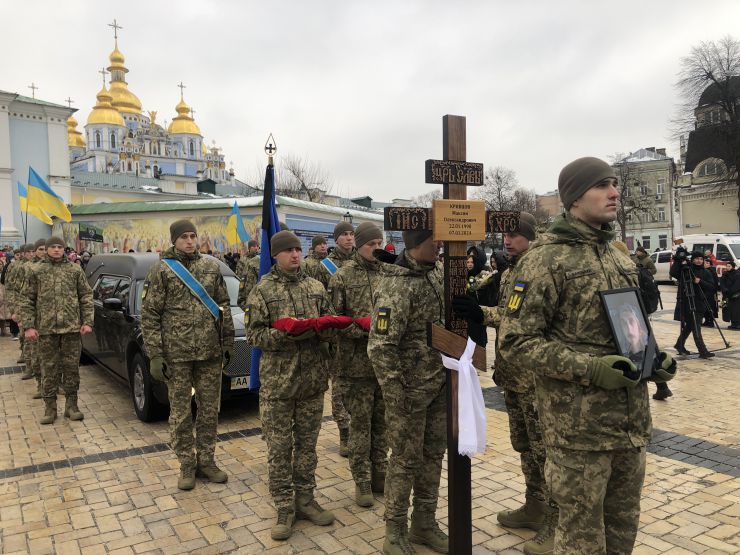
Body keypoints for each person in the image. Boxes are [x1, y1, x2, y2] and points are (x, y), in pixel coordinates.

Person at [497, 157, 676, 555]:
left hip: (629, 426)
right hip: (579, 432)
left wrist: (652, 358)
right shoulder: (545, 259)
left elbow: (628, 327)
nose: (614, 192)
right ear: (575, 198)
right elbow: (515, 342)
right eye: (602, 185)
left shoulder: (616, 254)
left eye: (614, 183)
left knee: (622, 530)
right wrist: (591, 369)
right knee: (581, 541)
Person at [455, 212, 558, 554]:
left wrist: (481, 313)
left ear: (530, 236)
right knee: (525, 447)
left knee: (546, 452)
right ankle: (535, 505)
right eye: (504, 236)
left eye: (514, 235)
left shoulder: (541, 268)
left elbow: (522, 319)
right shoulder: (512, 269)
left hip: (535, 378)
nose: (507, 241)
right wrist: (480, 310)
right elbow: (510, 314)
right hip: (514, 376)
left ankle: (556, 522)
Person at [245, 230, 336, 540]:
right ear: (275, 255)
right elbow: (255, 335)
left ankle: (306, 500)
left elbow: (330, 321)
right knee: (280, 450)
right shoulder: (263, 290)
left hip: (311, 381)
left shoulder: (316, 287)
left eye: (298, 249)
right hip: (278, 386)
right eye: (288, 250)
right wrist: (285, 334)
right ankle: (284, 507)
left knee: (308, 448)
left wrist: (322, 331)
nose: (295, 254)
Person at [368, 229, 448, 555]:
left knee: (433, 456)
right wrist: (396, 393)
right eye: (435, 240)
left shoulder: (439, 275)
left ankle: (424, 523)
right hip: (409, 394)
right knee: (403, 461)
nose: (440, 244)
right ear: (416, 245)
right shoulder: (395, 286)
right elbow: (380, 347)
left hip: (440, 385)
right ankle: (394, 530)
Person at [141, 220, 235, 490]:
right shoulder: (161, 270)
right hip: (176, 355)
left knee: (208, 411)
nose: (190, 241)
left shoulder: (210, 267)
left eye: (193, 236)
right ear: (174, 240)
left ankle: (207, 460)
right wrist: (156, 355)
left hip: (209, 352)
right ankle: (186, 464)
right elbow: (150, 315)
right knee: (181, 413)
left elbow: (223, 306)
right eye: (184, 237)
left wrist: (227, 341)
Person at [328, 222, 389, 508]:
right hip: (355, 366)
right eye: (371, 245)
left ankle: (380, 474)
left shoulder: (391, 274)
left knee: (382, 425)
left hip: (384, 365)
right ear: (359, 245)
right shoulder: (342, 277)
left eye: (380, 244)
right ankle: (362, 480)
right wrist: (362, 330)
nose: (377, 249)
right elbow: (333, 322)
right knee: (360, 427)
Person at [19, 236, 94, 425]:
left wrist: (88, 322)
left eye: (59, 247)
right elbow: (27, 299)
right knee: (49, 368)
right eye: (52, 247)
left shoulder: (74, 270)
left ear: (64, 249)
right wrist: (28, 326)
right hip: (46, 330)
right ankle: (50, 407)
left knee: (71, 368)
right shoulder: (36, 270)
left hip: (71, 329)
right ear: (46, 249)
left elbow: (85, 296)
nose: (56, 250)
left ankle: (72, 406)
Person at [316, 221, 355, 456]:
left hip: (360, 333)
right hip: (337, 336)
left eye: (352, 234)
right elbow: (319, 302)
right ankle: (345, 433)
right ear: (336, 239)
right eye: (345, 235)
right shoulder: (324, 267)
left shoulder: (362, 262)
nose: (349, 238)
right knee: (339, 387)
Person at [670, 250, 715, 358]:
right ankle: (703, 351)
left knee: (691, 325)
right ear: (692, 259)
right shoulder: (687, 270)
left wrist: (700, 282)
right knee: (696, 327)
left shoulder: (706, 272)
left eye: (701, 259)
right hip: (687, 302)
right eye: (696, 259)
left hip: (699, 303)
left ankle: (679, 345)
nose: (699, 261)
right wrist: (677, 260)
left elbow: (712, 287)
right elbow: (673, 273)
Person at [720, 261, 740, 329]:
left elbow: (737, 286)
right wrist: (724, 289)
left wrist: (730, 291)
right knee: (725, 308)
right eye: (727, 266)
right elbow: (721, 283)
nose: (727, 267)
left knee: (735, 310)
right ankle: (732, 322)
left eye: (729, 266)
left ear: (733, 267)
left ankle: (736, 323)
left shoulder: (737, 274)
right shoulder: (724, 274)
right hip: (726, 296)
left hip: (735, 296)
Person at [702, 258, 719, 327]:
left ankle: (711, 321)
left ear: (710, 264)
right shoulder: (703, 271)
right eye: (705, 263)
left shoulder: (712, 272)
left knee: (711, 307)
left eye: (707, 263)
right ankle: (706, 320)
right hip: (705, 291)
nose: (705, 264)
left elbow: (715, 283)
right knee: (705, 307)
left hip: (711, 293)